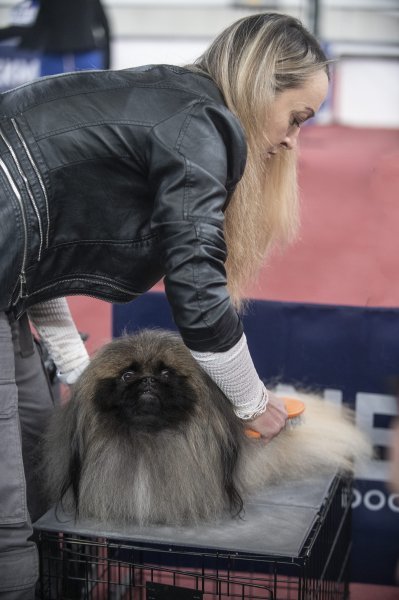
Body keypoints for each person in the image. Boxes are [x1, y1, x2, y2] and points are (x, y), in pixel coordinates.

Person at [0, 12, 329, 598]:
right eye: (296, 118)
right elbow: (196, 279)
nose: (289, 139)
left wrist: (82, 371)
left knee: (37, 475)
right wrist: (251, 403)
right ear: (259, 88)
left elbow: (34, 257)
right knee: (7, 516)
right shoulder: (200, 123)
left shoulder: (170, 100)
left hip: (7, 290)